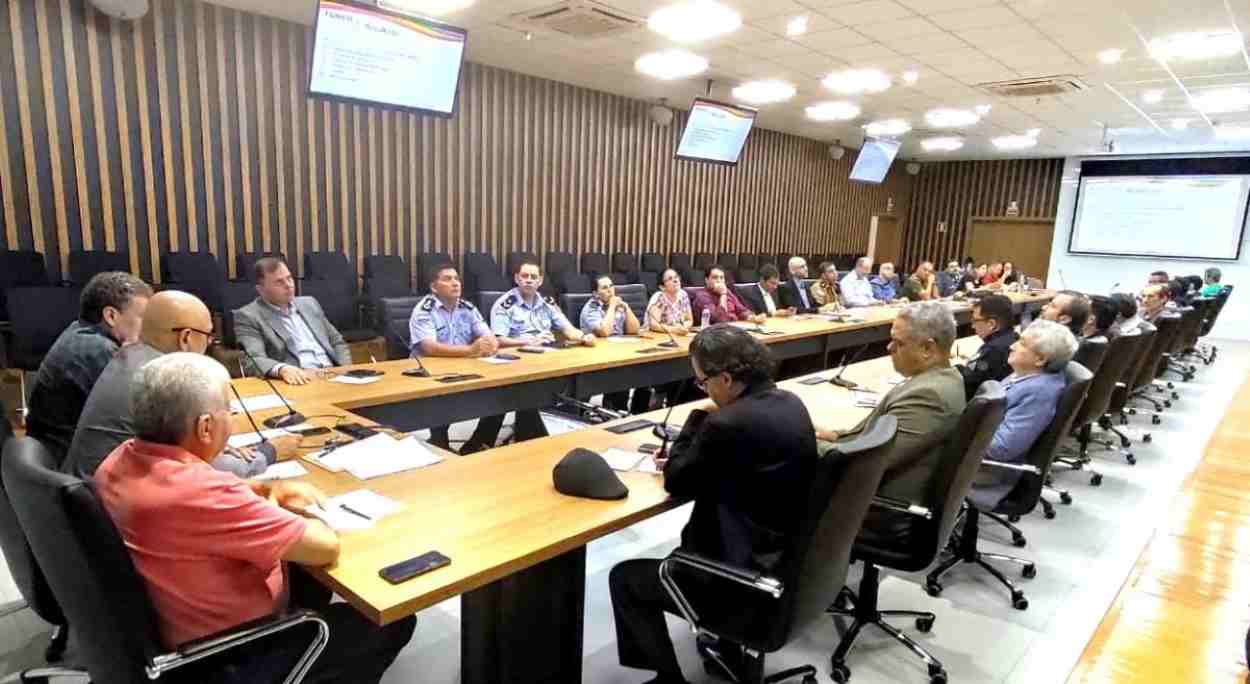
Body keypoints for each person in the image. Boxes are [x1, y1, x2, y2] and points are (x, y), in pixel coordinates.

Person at [95, 353, 415, 683]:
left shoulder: (118, 461)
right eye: (229, 410)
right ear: (205, 427)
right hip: (231, 653)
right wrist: (298, 512)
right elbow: (325, 546)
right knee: (390, 623)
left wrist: (264, 489)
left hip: (174, 628)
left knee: (309, 580)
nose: (232, 418)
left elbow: (203, 498)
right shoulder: (204, 494)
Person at [608, 325, 817, 684]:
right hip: (786, 562)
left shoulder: (726, 423)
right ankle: (729, 650)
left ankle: (667, 680)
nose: (703, 390)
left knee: (626, 579)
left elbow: (676, 480)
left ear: (726, 379)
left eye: (703, 382)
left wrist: (697, 417)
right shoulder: (791, 402)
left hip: (739, 576)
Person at [63, 290, 298, 480]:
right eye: (208, 336)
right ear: (185, 338)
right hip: (114, 506)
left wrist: (217, 447)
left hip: (91, 492)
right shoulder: (168, 380)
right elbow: (208, 474)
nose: (210, 343)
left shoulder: (131, 357)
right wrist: (269, 452)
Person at [815, 302, 965, 546]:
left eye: (898, 342)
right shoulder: (937, 378)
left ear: (927, 348)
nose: (889, 347)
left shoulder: (930, 395)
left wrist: (805, 441)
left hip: (876, 511)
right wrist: (833, 435)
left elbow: (864, 462)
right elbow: (875, 436)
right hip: (874, 493)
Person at [26, 271, 153, 460]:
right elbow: (148, 414)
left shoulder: (78, 332)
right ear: (111, 316)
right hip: (72, 463)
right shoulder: (98, 350)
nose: (148, 328)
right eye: (143, 318)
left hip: (56, 456)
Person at [472, 260, 595, 453]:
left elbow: (567, 329)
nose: (528, 280)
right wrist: (528, 341)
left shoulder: (547, 302)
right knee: (530, 393)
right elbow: (498, 340)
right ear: (516, 278)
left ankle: (544, 434)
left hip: (545, 359)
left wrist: (583, 336)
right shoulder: (505, 304)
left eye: (533, 277)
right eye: (524, 276)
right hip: (516, 362)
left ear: (540, 281)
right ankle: (520, 438)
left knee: (576, 379)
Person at [968, 320, 1078, 509]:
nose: (1012, 346)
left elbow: (1001, 448)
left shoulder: (1039, 392)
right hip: (976, 456)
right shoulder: (1026, 375)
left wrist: (961, 431)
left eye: (1022, 343)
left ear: (1040, 359)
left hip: (984, 472)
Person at [408, 263, 500, 452]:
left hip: (463, 366)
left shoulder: (468, 307)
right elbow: (429, 348)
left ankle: (478, 443)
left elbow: (489, 336)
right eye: (448, 279)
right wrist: (470, 350)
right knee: (441, 401)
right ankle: (440, 442)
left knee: (503, 392)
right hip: (430, 372)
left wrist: (491, 344)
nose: (455, 283)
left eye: (457, 279)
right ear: (434, 287)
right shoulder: (424, 310)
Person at [234, 257, 351, 385]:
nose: (288, 285)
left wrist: (345, 370)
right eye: (279, 282)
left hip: (334, 375)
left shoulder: (310, 303)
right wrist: (282, 369)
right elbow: (253, 359)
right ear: (261, 290)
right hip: (300, 380)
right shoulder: (248, 316)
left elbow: (337, 341)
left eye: (289, 278)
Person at [582, 275, 652, 414]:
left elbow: (634, 329)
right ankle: (613, 413)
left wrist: (626, 308)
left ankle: (637, 414)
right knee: (620, 381)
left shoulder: (618, 306)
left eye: (611, 286)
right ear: (595, 293)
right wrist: (613, 306)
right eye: (604, 287)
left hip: (619, 352)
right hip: (598, 357)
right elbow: (605, 332)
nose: (610, 290)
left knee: (646, 375)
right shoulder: (591, 308)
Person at [955, 294, 1017, 401]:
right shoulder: (1014, 338)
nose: (972, 326)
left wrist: (957, 366)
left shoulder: (994, 350)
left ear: (991, 324)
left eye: (975, 321)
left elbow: (969, 382)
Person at [692, 266, 764, 324]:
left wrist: (753, 318)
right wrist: (723, 295)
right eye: (715, 277)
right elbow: (720, 320)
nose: (719, 280)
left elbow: (741, 310)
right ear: (707, 280)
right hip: (715, 332)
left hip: (734, 326)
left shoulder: (728, 292)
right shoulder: (702, 296)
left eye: (721, 278)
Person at [646, 268, 694, 334]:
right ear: (662, 287)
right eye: (670, 279)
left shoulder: (683, 295)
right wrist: (674, 330)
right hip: (656, 335)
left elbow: (689, 320)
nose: (675, 280)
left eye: (676, 277)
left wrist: (683, 327)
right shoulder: (658, 298)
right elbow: (654, 325)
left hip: (677, 335)